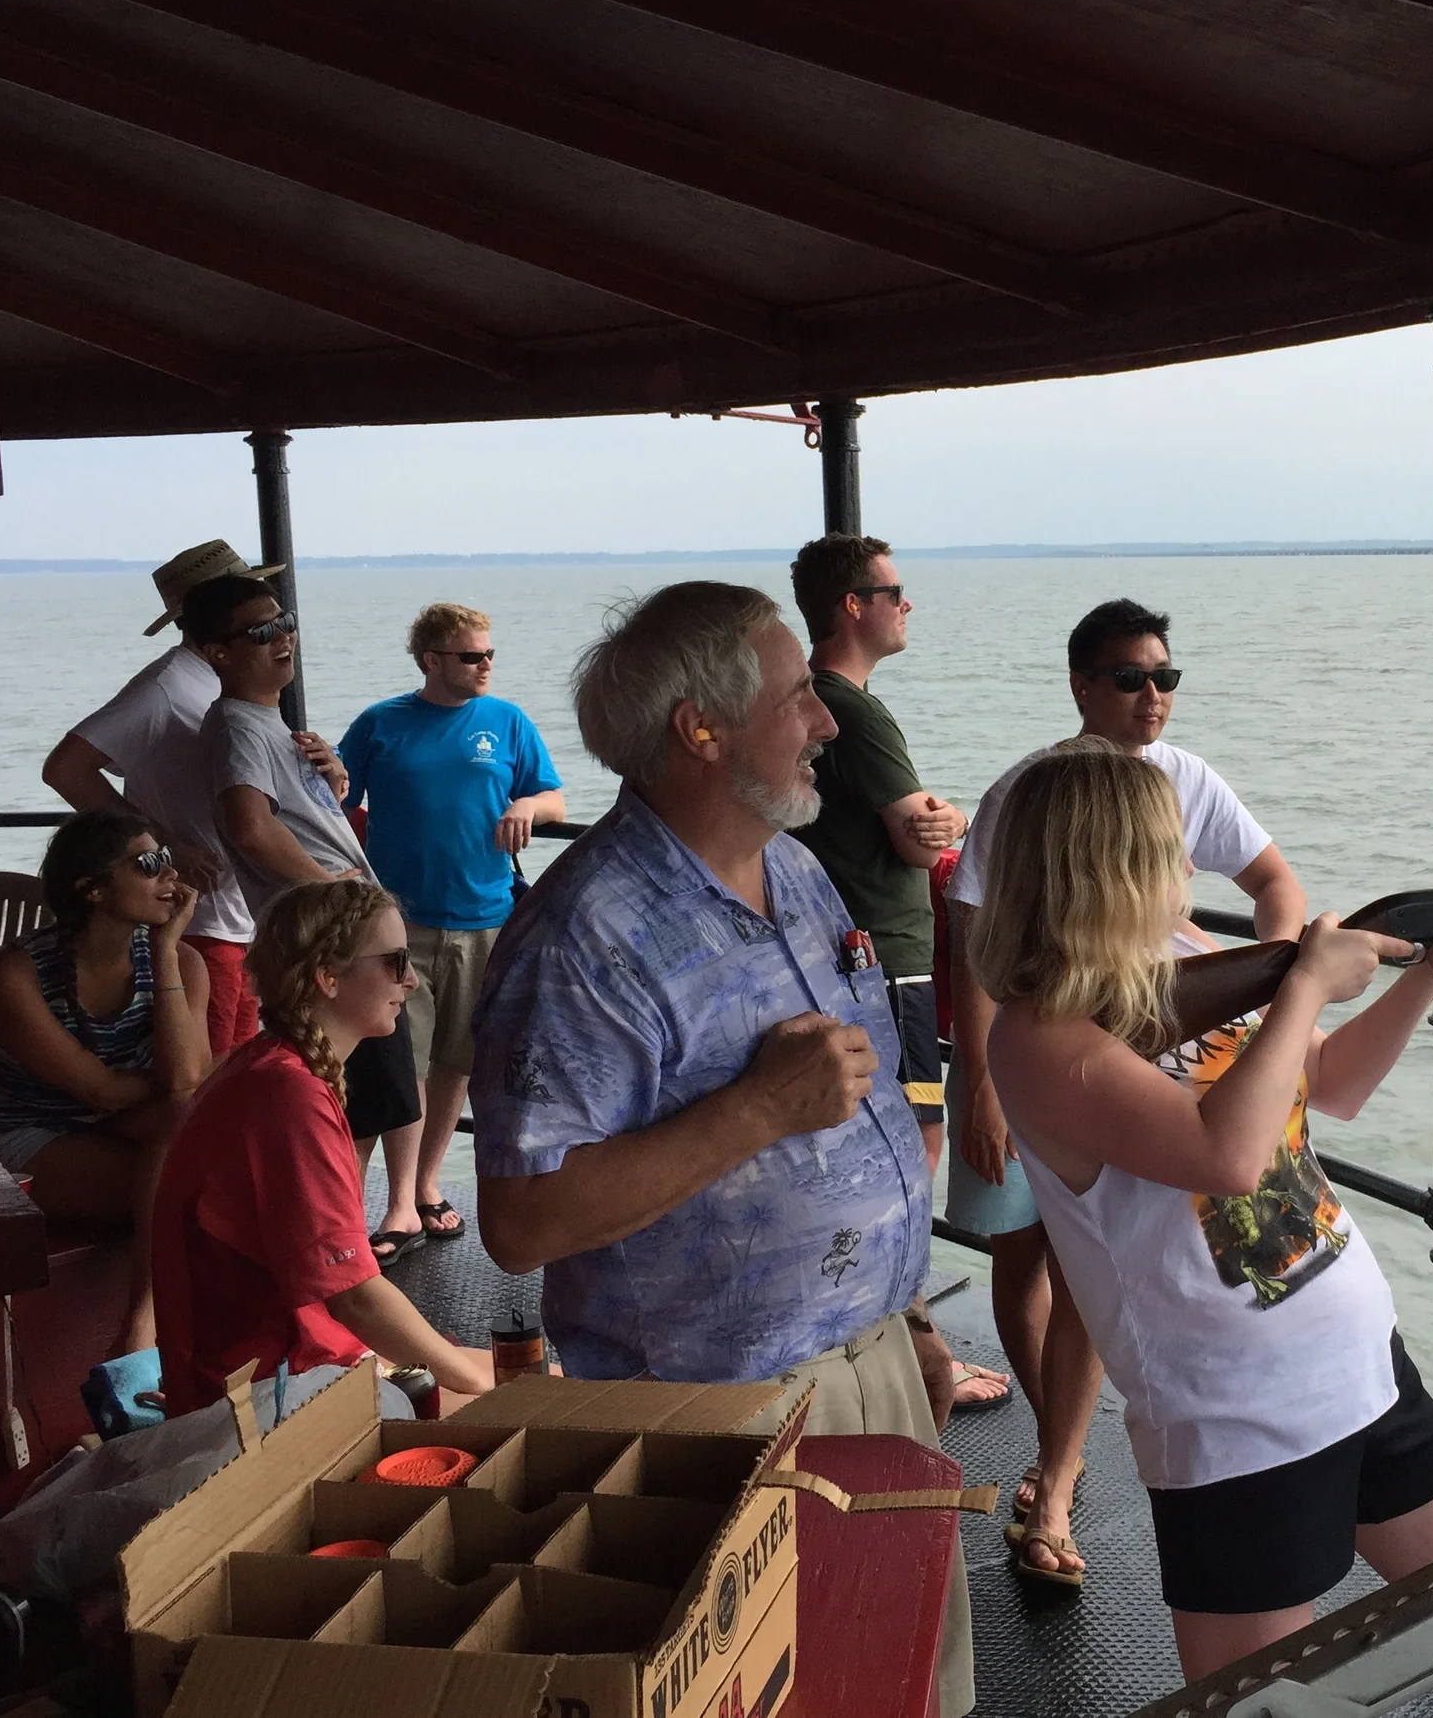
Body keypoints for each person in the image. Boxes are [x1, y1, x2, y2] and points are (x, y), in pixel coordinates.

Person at [468, 581, 973, 1718]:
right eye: (799, 696)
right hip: (728, 1419)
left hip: (867, 1365)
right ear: (701, 728)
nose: (829, 723)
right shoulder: (580, 943)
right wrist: (753, 1111)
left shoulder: (790, 867)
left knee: (901, 1687)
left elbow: (865, 1116)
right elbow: (521, 1223)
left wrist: (908, 1325)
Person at [976, 741, 1433, 1716]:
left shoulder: (1195, 961)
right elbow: (1226, 1154)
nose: (1189, 869)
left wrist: (1432, 974)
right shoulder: (1038, 1041)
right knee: (1265, 1708)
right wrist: (1302, 987)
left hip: (1362, 1368)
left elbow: (1333, 1084)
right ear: (1107, 868)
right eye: (1168, 852)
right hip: (1235, 1422)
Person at [946, 597, 1308, 1538]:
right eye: (1131, 677)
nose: (1154, 696)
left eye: (1167, 677)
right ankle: (1046, 1427)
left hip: (1141, 1051)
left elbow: (1276, 882)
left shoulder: (1187, 778)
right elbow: (976, 937)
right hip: (1032, 1050)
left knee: (1083, 1269)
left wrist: (1268, 987)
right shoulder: (1027, 793)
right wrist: (981, 1079)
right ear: (1080, 684)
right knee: (1019, 1249)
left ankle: (1057, 1473)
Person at [786, 537, 1007, 1417]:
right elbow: (922, 833)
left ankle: (885, 1323)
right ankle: (912, 1339)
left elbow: (925, 823)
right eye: (895, 590)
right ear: (853, 604)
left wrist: (936, 816)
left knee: (859, 1144)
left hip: (840, 957)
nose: (906, 604)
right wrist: (942, 816)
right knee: (911, 1148)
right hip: (887, 963)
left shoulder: (809, 702)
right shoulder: (857, 713)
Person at [150, 878, 497, 1417]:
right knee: (520, 1389)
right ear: (328, 976)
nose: (409, 981)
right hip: (263, 1391)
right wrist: (474, 1386)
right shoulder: (290, 1096)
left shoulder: (269, 1068)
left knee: (511, 1369)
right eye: (394, 961)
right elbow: (355, 1295)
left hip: (246, 1371)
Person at [339, 603, 564, 1263]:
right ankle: (398, 1202)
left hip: (486, 918)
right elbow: (334, 799)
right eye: (471, 656)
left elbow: (555, 798)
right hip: (398, 925)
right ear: (431, 660)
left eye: (491, 653)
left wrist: (527, 804)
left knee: (457, 1061)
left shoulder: (507, 721)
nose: (486, 664)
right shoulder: (382, 723)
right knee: (396, 1065)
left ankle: (427, 1184)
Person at [191, 576, 425, 1184]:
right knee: (350, 1105)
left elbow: (289, 814)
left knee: (366, 1100)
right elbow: (249, 825)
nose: (283, 637)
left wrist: (334, 781)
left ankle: (334, 1234)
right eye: (261, 631)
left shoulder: (265, 725)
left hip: (339, 932)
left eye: (285, 621)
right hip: (331, 939)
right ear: (218, 651)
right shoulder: (239, 726)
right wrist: (330, 886)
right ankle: (326, 1245)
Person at [42, 541, 284, 1053]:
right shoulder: (165, 686)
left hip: (241, 915)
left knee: (235, 1071)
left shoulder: (228, 682)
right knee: (204, 1082)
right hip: (199, 923)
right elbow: (66, 769)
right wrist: (164, 849)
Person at [0, 809, 212, 1352]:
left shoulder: (180, 961)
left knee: (207, 1139)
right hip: (33, 1129)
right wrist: (167, 1082)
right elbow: (98, 1091)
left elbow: (185, 1085)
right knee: (195, 1192)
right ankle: (145, 1329)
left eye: (168, 860)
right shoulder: (17, 974)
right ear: (91, 889)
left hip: (128, 1119)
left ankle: (146, 1327)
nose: (170, 877)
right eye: (148, 864)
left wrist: (162, 954)